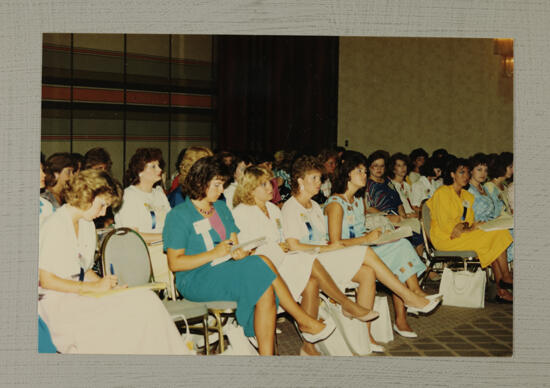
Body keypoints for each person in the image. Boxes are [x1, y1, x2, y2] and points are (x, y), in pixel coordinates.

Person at [162, 156, 335, 355]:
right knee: (261, 263)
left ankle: (267, 359)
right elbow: (175, 264)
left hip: (227, 269)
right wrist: (213, 254)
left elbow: (235, 244)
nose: (221, 191)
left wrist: (239, 251)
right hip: (196, 278)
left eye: (222, 185)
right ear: (200, 181)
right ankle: (302, 320)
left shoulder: (220, 208)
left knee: (265, 287)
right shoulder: (179, 215)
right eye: (217, 185)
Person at [282, 156, 441, 351]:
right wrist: (330, 248)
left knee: (368, 272)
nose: (319, 183)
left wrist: (333, 247)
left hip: (325, 256)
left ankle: (365, 335)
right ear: (300, 181)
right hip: (311, 261)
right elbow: (293, 245)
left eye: (319, 178)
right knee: (365, 250)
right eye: (314, 179)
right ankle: (408, 296)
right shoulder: (292, 207)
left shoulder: (314, 206)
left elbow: (326, 239)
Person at [232, 165, 378, 355]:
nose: (271, 187)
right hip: (262, 269)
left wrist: (280, 247)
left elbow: (282, 239)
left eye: (271, 182)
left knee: (311, 281)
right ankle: (345, 303)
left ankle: (308, 346)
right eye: (264, 184)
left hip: (281, 261)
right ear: (250, 188)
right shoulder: (242, 212)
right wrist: (274, 248)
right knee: (306, 260)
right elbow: (243, 250)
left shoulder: (273, 210)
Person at [38, 169, 188, 354]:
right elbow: (46, 280)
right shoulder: (54, 225)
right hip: (57, 303)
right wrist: (92, 288)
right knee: (122, 320)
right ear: (86, 194)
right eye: (102, 205)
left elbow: (84, 270)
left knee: (146, 300)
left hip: (81, 293)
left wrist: (105, 284)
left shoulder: (86, 224)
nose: (103, 213)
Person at [326, 151, 437, 340]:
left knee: (401, 245)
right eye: (359, 171)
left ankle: (415, 292)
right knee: (389, 257)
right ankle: (409, 299)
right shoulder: (335, 203)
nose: (365, 175)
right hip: (343, 254)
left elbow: (361, 231)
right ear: (347, 175)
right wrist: (367, 239)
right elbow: (335, 242)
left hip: (361, 249)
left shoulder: (358, 201)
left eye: (364, 171)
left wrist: (379, 235)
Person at [426, 157, 514, 303]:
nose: (466, 176)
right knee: (493, 236)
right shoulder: (443, 192)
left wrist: (465, 227)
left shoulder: (467, 196)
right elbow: (445, 225)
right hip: (446, 239)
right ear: (453, 174)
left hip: (462, 234)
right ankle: (503, 283)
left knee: (500, 232)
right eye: (461, 172)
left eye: (467, 173)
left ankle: (503, 282)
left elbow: (468, 221)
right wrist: (464, 227)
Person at [365, 150, 425, 256]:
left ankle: (419, 261)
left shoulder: (388, 182)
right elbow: (368, 208)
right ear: (369, 167)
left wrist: (403, 216)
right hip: (380, 219)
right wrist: (387, 217)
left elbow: (398, 202)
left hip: (396, 217)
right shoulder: (368, 185)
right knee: (410, 231)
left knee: (417, 226)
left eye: (382, 166)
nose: (379, 169)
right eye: (375, 166)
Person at [467, 153, 514, 264]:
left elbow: (494, 210)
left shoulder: (484, 188)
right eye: (479, 170)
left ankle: (504, 276)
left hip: (491, 223)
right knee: (507, 234)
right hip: (479, 226)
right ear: (471, 171)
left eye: (485, 170)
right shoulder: (468, 190)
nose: (483, 173)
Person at [388, 153, 416, 217]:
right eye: (399, 166)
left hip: (413, 215)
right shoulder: (391, 186)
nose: (403, 168)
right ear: (393, 169)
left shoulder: (407, 185)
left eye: (404, 165)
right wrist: (407, 215)